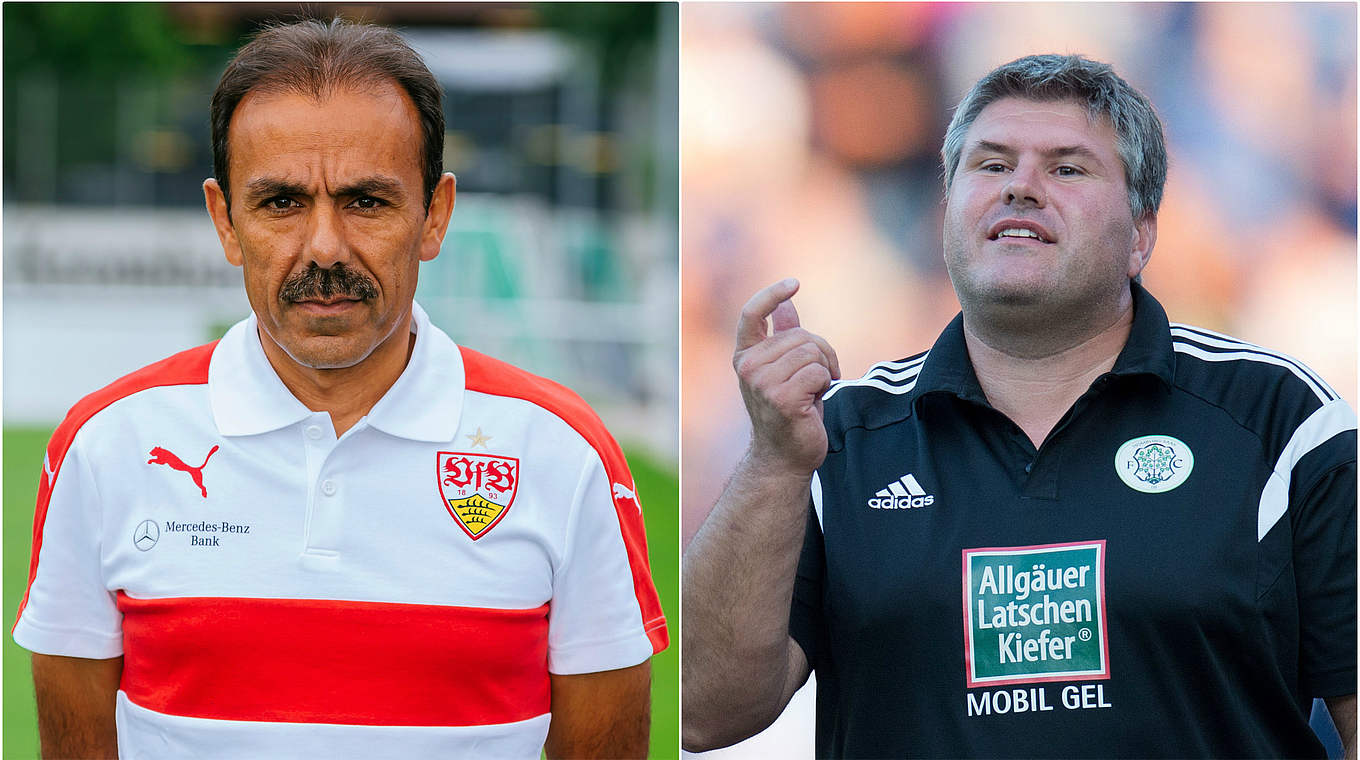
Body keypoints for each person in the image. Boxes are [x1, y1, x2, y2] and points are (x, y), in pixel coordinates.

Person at [13, 18, 667, 759]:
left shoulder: (563, 452)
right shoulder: (106, 445)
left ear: (435, 216)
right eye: (281, 203)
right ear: (226, 222)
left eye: (367, 202)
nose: (324, 247)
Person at [682, 54, 1355, 758]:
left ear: (1142, 235)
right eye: (992, 165)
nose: (1021, 189)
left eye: (1067, 168)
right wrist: (771, 466)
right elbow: (700, 711)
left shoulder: (1281, 421)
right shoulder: (841, 436)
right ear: (947, 211)